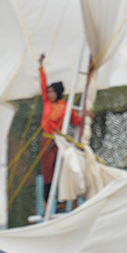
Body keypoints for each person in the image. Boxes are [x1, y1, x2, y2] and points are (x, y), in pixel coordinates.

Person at [38, 53, 83, 206]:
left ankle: (61, 201)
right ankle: (47, 201)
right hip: (47, 140)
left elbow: (77, 121)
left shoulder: (65, 107)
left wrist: (86, 114)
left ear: (58, 93)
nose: (50, 94)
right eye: (49, 92)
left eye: (52, 92)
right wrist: (41, 67)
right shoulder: (47, 102)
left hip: (59, 142)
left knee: (61, 169)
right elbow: (42, 85)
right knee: (47, 172)